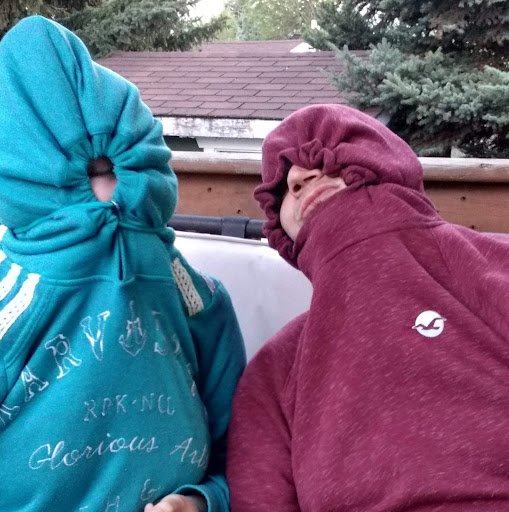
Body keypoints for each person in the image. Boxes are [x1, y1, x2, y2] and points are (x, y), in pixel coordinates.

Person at [0, 16, 245, 512]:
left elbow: (242, 454)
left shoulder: (199, 300)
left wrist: (200, 502)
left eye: (117, 167)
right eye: (95, 171)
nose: (116, 194)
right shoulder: (10, 303)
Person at [226, 103, 509, 511]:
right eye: (284, 187)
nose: (298, 177)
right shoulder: (277, 368)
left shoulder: (492, 270)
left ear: (386, 160)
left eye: (323, 156)